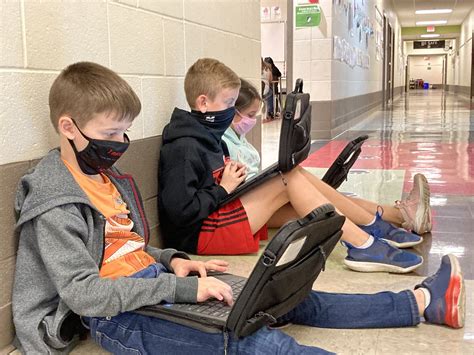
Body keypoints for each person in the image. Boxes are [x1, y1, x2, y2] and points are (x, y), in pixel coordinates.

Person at [13, 61, 465, 354]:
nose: (121, 145)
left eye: (125, 133)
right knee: (260, 344)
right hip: (117, 317)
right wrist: (183, 291)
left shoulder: (107, 180)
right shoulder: (55, 200)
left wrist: (176, 263)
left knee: (284, 298)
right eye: (111, 134)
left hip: (155, 282)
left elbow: (125, 248)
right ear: (68, 127)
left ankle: (419, 302)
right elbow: (85, 293)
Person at [159, 58, 428, 274]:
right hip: (199, 234)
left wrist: (234, 183)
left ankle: (373, 224)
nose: (232, 111)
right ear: (203, 102)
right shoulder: (184, 146)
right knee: (287, 179)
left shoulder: (205, 135)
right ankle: (363, 245)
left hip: (217, 214)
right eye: (228, 103)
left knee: (296, 179)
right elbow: (180, 213)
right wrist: (224, 189)